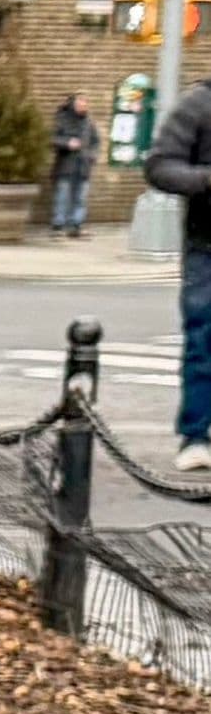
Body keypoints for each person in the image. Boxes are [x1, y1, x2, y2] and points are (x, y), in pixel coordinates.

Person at [145, 74, 211, 472]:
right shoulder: (200, 104)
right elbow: (159, 166)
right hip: (208, 246)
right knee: (204, 339)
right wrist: (206, 179)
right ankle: (196, 434)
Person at [49, 93, 100, 237]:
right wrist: (67, 143)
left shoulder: (89, 122)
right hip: (66, 165)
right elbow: (52, 138)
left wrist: (92, 155)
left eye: (85, 103)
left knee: (80, 198)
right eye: (80, 103)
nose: (83, 106)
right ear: (73, 105)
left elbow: (95, 141)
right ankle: (59, 225)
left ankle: (76, 225)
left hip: (83, 166)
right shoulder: (62, 120)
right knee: (63, 196)